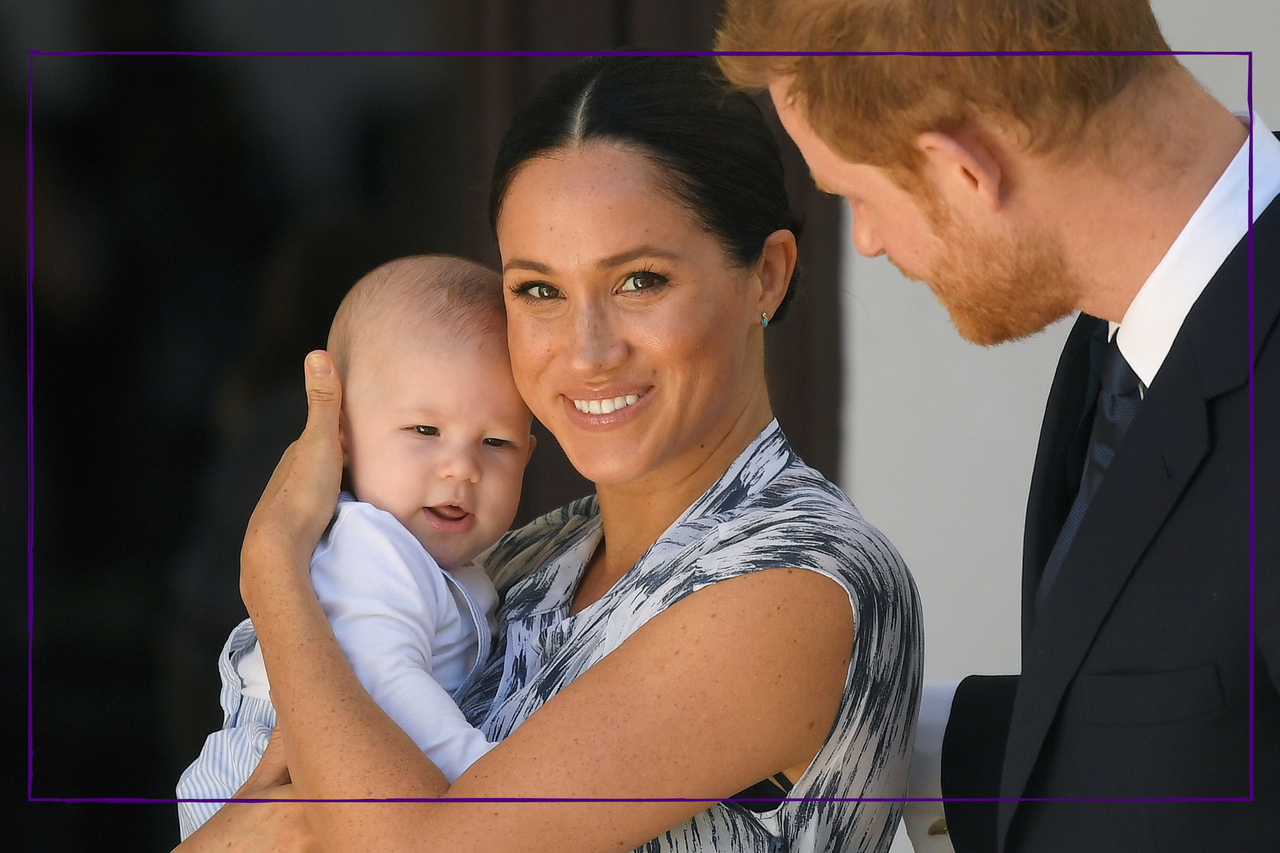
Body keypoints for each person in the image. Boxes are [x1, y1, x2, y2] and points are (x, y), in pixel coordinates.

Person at [173, 55, 922, 853]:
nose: (587, 350)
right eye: (538, 290)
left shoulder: (796, 582)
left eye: (640, 280)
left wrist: (274, 567)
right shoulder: (529, 556)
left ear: (766, 276)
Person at [715, 1, 1280, 852]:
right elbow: (1193, 729)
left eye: (855, 198)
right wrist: (844, 724)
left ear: (961, 172)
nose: (866, 243)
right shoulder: (1124, 337)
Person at [175, 255, 536, 837]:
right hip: (271, 788)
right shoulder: (371, 548)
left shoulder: (451, 563)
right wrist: (482, 778)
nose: (463, 467)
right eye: (425, 431)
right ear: (340, 435)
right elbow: (384, 680)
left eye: (497, 442)